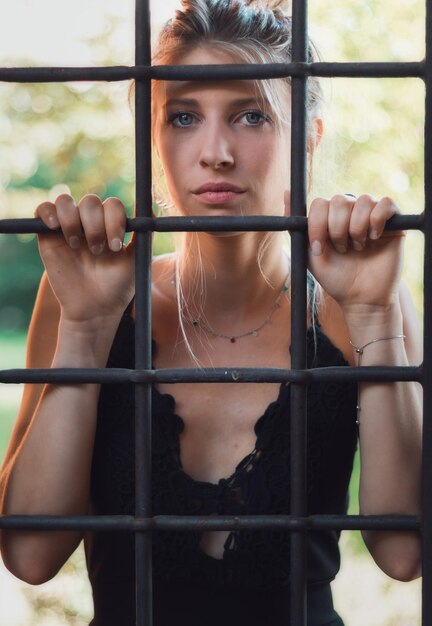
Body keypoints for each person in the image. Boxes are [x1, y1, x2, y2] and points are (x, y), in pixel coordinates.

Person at [0, 0, 423, 624]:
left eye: (251, 115)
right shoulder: (86, 292)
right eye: (184, 117)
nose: (215, 151)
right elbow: (30, 553)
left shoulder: (362, 298)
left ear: (309, 135)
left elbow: (404, 550)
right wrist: (87, 332)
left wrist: (374, 321)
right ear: (152, 133)